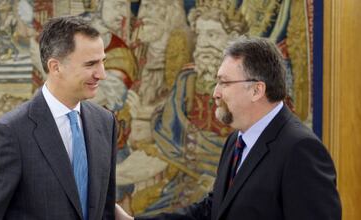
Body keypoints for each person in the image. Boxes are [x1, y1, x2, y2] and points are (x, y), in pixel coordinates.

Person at [116, 36, 341, 220]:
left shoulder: (300, 149)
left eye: (224, 83)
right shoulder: (237, 141)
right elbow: (212, 211)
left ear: (256, 90)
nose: (215, 93)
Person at [0, 16, 117, 220]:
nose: (102, 74)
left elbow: (103, 211)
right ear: (55, 67)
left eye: (103, 61)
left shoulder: (105, 122)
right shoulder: (10, 133)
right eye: (91, 64)